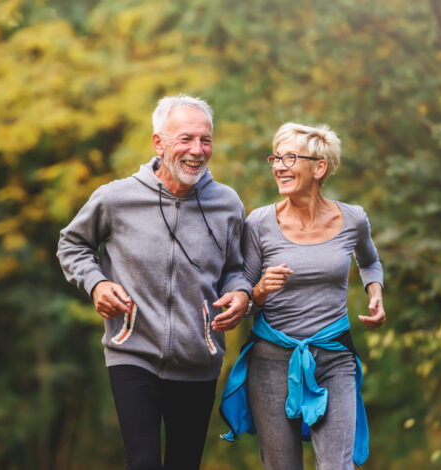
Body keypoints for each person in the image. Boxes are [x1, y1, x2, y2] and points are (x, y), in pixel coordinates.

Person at [57, 94, 252, 470]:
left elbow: (237, 267)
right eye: (186, 139)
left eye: (205, 139)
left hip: (199, 357)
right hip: (132, 351)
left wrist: (241, 293)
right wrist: (96, 284)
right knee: (144, 462)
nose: (197, 150)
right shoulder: (117, 198)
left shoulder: (227, 204)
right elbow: (73, 244)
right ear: (158, 143)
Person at [219, 123, 386, 469]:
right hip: (270, 362)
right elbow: (245, 299)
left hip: (334, 357)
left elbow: (370, 262)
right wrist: (261, 289)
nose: (279, 166)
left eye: (290, 158)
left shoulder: (353, 219)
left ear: (319, 167)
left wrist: (376, 292)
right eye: (275, 158)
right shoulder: (259, 223)